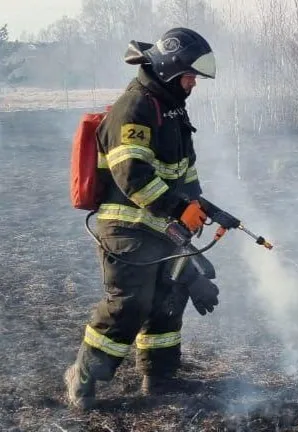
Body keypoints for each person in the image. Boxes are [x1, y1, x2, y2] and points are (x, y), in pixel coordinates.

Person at [64, 27, 222, 410]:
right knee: (129, 304)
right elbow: (132, 174)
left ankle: (160, 377)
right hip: (126, 228)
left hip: (160, 227)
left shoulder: (171, 109)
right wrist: (178, 209)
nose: (193, 84)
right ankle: (82, 376)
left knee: (170, 296)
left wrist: (200, 207)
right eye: (189, 76)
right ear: (169, 68)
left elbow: (184, 172)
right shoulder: (135, 108)